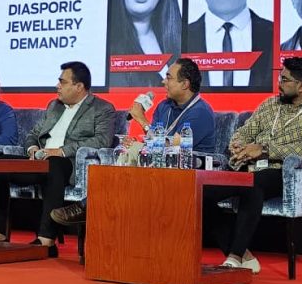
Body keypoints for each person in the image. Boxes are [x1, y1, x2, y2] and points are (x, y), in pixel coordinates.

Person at [203, 56, 302, 274]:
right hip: (248, 168)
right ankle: (244, 256)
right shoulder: (270, 105)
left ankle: (234, 257)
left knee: (253, 185)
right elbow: (244, 132)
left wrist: (265, 150)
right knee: (202, 193)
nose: (278, 84)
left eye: (284, 80)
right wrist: (239, 146)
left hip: (283, 174)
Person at [51, 58, 215, 227]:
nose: (163, 81)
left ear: (185, 84)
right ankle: (92, 212)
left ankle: (86, 208)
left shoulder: (200, 112)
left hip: (187, 174)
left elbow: (173, 144)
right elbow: (154, 140)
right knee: (123, 166)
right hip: (159, 169)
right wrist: (138, 144)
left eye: (169, 77)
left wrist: (141, 119)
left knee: (128, 180)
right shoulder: (164, 106)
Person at [0, 61, 115, 255]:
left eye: (62, 82)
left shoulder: (102, 108)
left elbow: (102, 140)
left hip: (69, 164)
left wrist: (61, 151)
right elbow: (33, 133)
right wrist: (32, 148)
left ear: (79, 86)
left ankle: (46, 240)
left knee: (54, 164)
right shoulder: (54, 106)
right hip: (40, 161)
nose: (57, 86)